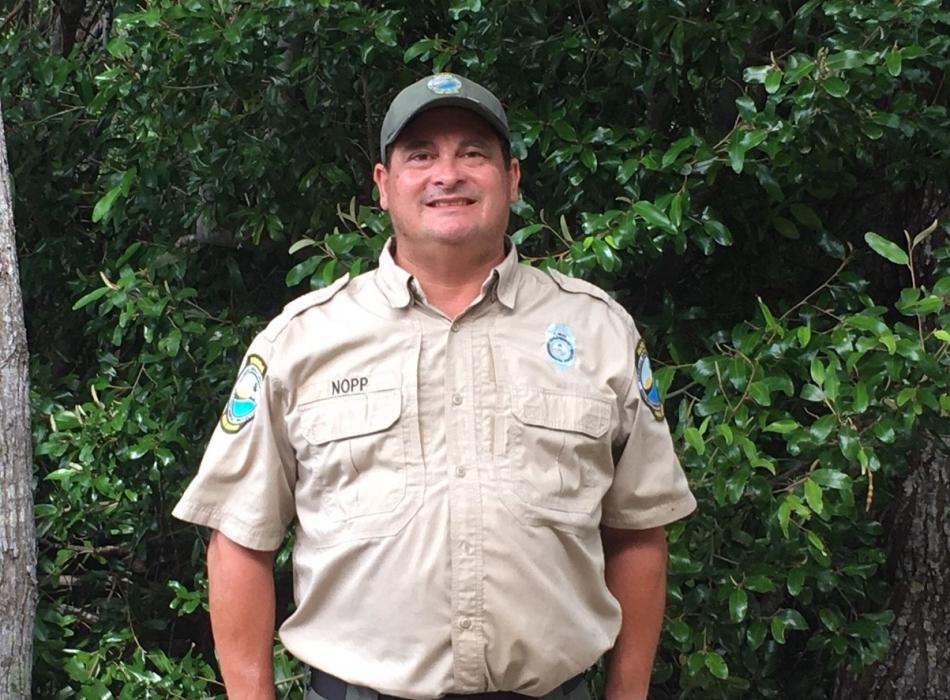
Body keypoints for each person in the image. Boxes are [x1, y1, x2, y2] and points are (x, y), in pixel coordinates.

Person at [173, 72, 696, 700]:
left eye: (473, 152)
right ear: (384, 186)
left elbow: (639, 530)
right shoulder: (301, 342)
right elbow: (239, 539)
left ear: (513, 178)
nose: (448, 174)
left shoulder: (598, 331)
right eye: (421, 155)